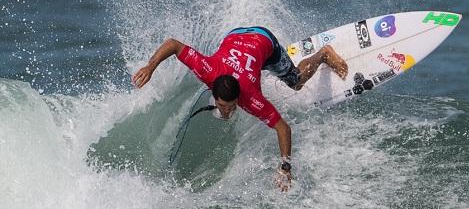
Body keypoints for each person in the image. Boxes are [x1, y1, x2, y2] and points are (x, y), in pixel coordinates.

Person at [132, 26, 348, 192]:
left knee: (295, 82)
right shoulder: (207, 70)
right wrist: (150, 67)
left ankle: (323, 54)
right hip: (235, 35)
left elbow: (283, 128)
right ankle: (263, 63)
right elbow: (173, 44)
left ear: (239, 99)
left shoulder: (251, 97)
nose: (226, 111)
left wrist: (285, 166)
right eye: (222, 106)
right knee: (257, 66)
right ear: (214, 94)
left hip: (263, 39)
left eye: (231, 106)